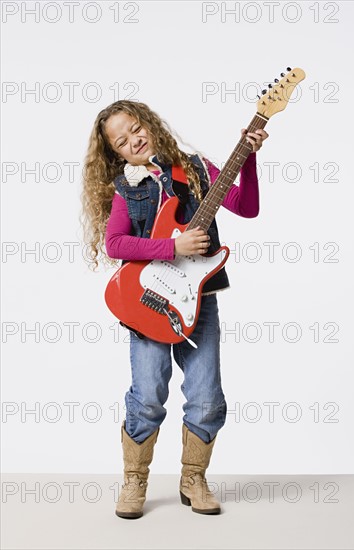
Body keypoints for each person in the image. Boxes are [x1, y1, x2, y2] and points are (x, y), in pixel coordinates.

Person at [81, 100, 268, 519]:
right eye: (121, 140)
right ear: (114, 151)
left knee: (206, 397)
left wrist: (249, 158)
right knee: (147, 395)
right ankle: (135, 479)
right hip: (149, 302)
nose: (134, 140)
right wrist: (171, 247)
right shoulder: (125, 187)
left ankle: (194, 478)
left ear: (149, 123)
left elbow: (246, 206)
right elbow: (116, 244)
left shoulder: (197, 167)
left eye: (136, 128)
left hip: (199, 302)